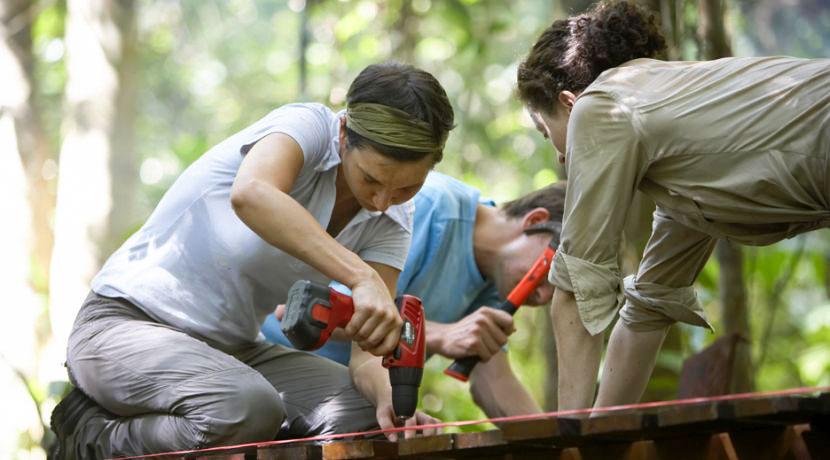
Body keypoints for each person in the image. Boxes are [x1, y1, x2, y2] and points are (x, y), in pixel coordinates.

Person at [48, 62, 455, 459]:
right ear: (345, 132)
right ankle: (92, 435)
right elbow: (252, 194)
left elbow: (368, 349)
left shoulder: (394, 220)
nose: (382, 201)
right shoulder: (308, 127)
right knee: (246, 407)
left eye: (407, 187)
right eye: (371, 178)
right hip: (124, 325)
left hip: (231, 351)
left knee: (361, 416)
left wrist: (391, 405)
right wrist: (360, 276)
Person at [516, 0, 829, 410]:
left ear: (570, 104)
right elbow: (650, 306)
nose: (559, 157)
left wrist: (571, 440)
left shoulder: (603, 105)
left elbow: (577, 288)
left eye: (546, 132)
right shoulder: (685, 165)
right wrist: (603, 428)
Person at [263, 172, 566, 418]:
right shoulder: (426, 207)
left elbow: (495, 384)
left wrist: (565, 447)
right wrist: (436, 335)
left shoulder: (496, 278)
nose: (544, 297)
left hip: (355, 391)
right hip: (276, 360)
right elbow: (318, 313)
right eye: (551, 274)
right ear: (536, 222)